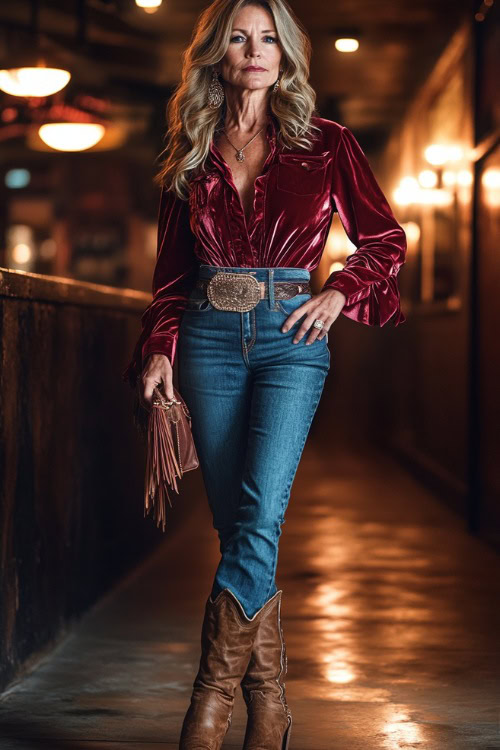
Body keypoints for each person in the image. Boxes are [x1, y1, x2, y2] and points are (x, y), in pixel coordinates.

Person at [123, 0, 407, 747]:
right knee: (237, 525)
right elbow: (168, 278)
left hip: (290, 339)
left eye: (269, 38)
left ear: (287, 55)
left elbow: (383, 238)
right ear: (218, 52)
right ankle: (272, 705)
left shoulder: (326, 142)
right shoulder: (192, 149)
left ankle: (207, 708)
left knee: (259, 517)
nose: (255, 50)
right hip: (209, 337)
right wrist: (160, 346)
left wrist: (339, 291)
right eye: (240, 38)